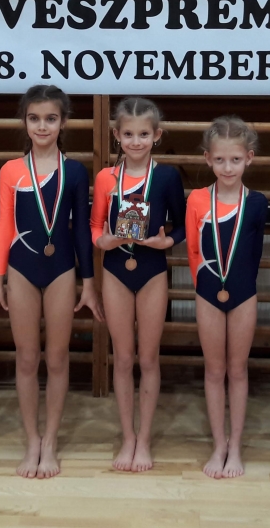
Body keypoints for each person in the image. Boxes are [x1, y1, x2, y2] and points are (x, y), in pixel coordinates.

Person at [0, 85, 104, 479]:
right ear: (25, 121)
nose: (42, 126)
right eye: (34, 118)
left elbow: (82, 231)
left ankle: (50, 440)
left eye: (51, 118)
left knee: (56, 358)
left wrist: (88, 282)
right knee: (26, 357)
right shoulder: (10, 171)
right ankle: (32, 439)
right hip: (21, 269)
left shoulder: (75, 171)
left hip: (61, 271)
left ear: (63, 122)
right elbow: (4, 227)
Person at [91, 97, 186, 472]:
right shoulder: (106, 178)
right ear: (116, 135)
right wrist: (103, 241)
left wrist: (166, 242)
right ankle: (127, 437)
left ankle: (144, 439)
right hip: (116, 269)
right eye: (128, 134)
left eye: (143, 134)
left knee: (147, 358)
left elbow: (181, 227)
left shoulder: (166, 177)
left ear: (156, 135)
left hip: (152, 270)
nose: (135, 141)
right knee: (123, 357)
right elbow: (95, 226)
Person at [186, 116, 268, 479]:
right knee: (214, 369)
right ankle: (218, 444)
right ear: (207, 159)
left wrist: (237, 285)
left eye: (235, 159)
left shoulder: (258, 202)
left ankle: (235, 446)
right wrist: (206, 289)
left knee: (237, 369)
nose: (228, 167)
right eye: (219, 160)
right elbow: (192, 250)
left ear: (249, 158)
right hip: (207, 293)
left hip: (244, 294)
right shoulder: (197, 199)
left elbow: (254, 255)